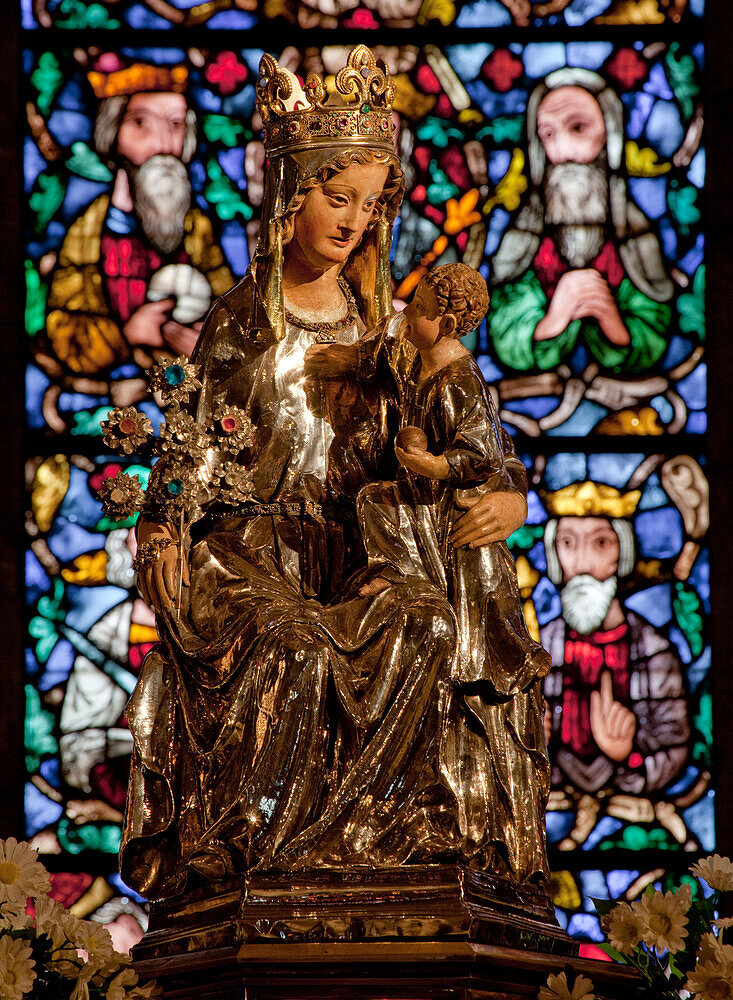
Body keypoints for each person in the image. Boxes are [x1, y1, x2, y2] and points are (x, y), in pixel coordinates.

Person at [120, 47, 531, 898]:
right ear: (290, 196)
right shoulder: (241, 322)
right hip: (250, 554)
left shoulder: (387, 326)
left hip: (361, 547)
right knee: (296, 645)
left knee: (421, 620)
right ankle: (273, 864)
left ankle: (383, 845)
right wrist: (162, 527)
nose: (351, 220)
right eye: (334, 197)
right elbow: (185, 456)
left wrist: (502, 490)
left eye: (368, 203)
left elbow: (468, 416)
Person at [337, 262, 551, 882]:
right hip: (329, 537)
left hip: (442, 526)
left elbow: (485, 451)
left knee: (444, 642)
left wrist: (506, 492)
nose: (405, 310)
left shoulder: (449, 370)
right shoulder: (408, 349)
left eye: (370, 202)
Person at [45, 55, 233, 395]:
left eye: (175, 125)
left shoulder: (198, 227)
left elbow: (231, 311)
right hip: (112, 400)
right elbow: (65, 331)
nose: (162, 143)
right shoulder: (89, 230)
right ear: (111, 132)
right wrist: (128, 334)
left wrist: (204, 340)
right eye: (141, 123)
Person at [488, 68, 674, 373]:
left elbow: (655, 324)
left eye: (578, 127)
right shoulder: (524, 238)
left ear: (609, 134)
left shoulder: (636, 238)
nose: (563, 152)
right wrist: (552, 320)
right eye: (548, 134)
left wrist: (613, 322)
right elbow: (504, 328)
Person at [540, 481, 691, 849]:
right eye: (568, 543)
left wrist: (630, 754)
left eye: (601, 543)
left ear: (622, 553)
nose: (583, 563)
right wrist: (533, 743)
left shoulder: (655, 651)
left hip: (631, 816)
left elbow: (675, 741)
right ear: (554, 555)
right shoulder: (536, 648)